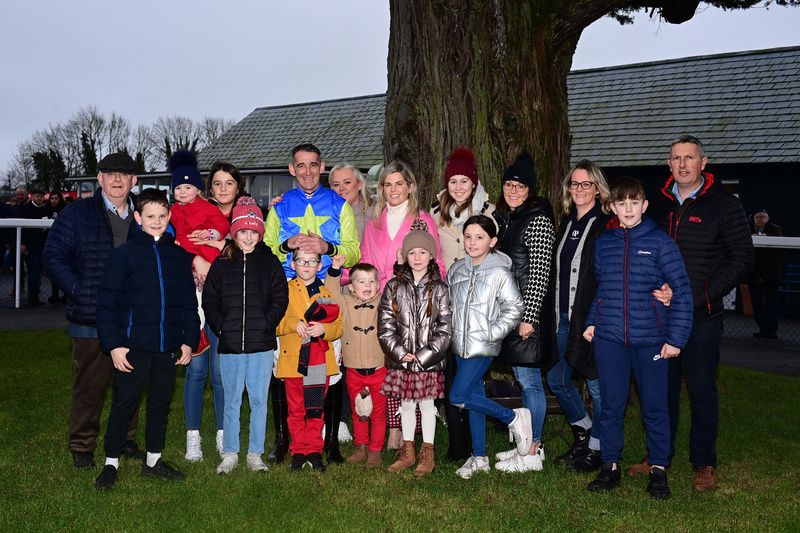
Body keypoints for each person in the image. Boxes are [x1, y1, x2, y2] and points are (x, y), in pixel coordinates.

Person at [631, 135, 753, 492]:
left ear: (704, 162)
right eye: (676, 158)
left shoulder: (724, 205)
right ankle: (659, 456)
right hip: (658, 316)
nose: (682, 164)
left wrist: (698, 296)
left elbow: (742, 259)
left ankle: (703, 463)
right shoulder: (657, 206)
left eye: (689, 158)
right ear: (668, 165)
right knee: (659, 390)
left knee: (701, 389)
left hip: (702, 315)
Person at [582, 177, 693, 500]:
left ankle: (659, 469)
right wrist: (592, 322)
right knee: (611, 405)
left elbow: (682, 291)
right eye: (621, 203)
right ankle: (610, 465)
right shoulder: (605, 243)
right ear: (612, 207)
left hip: (652, 340)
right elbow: (602, 289)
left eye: (634, 203)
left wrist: (675, 338)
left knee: (655, 407)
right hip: (610, 338)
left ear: (644, 206)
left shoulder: (661, 243)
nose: (628, 209)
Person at [44, 152, 145, 469]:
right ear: (99, 179)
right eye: (110, 174)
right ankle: (82, 446)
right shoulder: (76, 214)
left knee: (129, 384)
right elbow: (53, 255)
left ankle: (125, 440)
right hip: (91, 316)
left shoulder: (146, 215)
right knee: (90, 385)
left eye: (124, 174)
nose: (117, 179)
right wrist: (77, 289)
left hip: (134, 317)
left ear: (134, 180)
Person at [93, 188, 198, 490]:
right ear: (138, 217)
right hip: (132, 347)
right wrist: (113, 345)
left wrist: (188, 341)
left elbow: (189, 303)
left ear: (169, 216)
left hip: (167, 347)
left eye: (162, 216)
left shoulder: (178, 257)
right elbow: (107, 303)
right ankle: (111, 462)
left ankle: (154, 460)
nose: (156, 221)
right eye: (150, 216)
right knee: (124, 404)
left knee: (160, 405)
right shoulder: (124, 255)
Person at [263, 143, 360, 465]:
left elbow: (354, 251)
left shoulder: (339, 204)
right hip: (287, 295)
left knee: (328, 372)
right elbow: (264, 250)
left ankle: (328, 442)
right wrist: (285, 243)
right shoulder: (280, 206)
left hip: (327, 292)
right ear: (292, 169)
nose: (307, 171)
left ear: (322, 168)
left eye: (313, 165)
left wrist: (327, 247)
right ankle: (284, 440)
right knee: (285, 371)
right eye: (300, 166)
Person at [360, 160, 445, 449]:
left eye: (399, 183)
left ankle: (414, 433)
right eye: (388, 184)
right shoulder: (374, 221)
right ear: (381, 189)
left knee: (415, 364)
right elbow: (366, 262)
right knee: (392, 366)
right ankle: (393, 427)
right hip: (382, 300)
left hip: (417, 301)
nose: (394, 189)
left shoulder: (422, 219)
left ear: (410, 186)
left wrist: (431, 293)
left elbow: (438, 262)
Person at [202, 197, 289, 474]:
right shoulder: (222, 263)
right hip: (230, 346)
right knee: (231, 400)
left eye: (253, 231)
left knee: (259, 400)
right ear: (234, 233)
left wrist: (267, 323)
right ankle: (230, 452)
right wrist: (221, 326)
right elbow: (210, 300)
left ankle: (255, 452)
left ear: (260, 233)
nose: (248, 236)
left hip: (261, 345)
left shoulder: (270, 262)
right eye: (243, 231)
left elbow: (280, 297)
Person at [448, 215, 531, 479]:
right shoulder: (456, 270)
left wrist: (491, 333)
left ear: (492, 241)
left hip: (482, 346)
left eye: (480, 237)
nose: (472, 242)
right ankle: (480, 456)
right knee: (475, 399)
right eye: (468, 237)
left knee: (458, 397)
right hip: (459, 345)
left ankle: (512, 418)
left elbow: (514, 307)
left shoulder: (499, 272)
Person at [431, 146, 496, 462]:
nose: (458, 187)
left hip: (477, 306)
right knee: (451, 376)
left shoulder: (488, 210)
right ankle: (461, 445)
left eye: (464, 181)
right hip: (447, 304)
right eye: (453, 181)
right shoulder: (436, 212)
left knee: (468, 380)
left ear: (474, 183)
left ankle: (476, 444)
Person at [491, 152, 555, 473]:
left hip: (526, 316)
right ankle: (526, 445)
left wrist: (529, 317)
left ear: (530, 189)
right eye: (508, 184)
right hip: (510, 312)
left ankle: (533, 449)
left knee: (530, 381)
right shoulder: (508, 218)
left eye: (519, 185)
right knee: (522, 377)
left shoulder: (538, 220)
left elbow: (540, 272)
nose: (513, 189)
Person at [548, 160, 611, 472]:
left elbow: (607, 276)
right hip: (563, 317)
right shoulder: (567, 223)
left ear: (597, 188)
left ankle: (599, 448)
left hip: (590, 320)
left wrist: (597, 318)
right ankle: (584, 431)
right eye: (574, 184)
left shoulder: (605, 224)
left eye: (586, 184)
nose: (579, 190)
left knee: (596, 385)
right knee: (556, 378)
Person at [182, 160, 244, 463]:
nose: (222, 189)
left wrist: (218, 247)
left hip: (228, 304)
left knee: (221, 373)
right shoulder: (191, 208)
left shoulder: (247, 214)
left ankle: (224, 434)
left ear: (238, 186)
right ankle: (193, 437)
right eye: (217, 183)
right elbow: (173, 242)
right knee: (195, 370)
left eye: (228, 183)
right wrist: (196, 261)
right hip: (194, 298)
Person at [378, 226, 452, 476]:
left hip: (428, 362)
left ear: (431, 256)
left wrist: (422, 357)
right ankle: (407, 450)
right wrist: (401, 354)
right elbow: (385, 327)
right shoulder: (392, 287)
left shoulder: (440, 289)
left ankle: (427, 452)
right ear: (405, 256)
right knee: (407, 403)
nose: (417, 257)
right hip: (402, 360)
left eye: (423, 252)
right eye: (412, 252)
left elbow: (445, 330)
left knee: (427, 405)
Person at [275, 248, 343, 472]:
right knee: (296, 410)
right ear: (292, 265)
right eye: (301, 261)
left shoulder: (326, 293)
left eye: (312, 261)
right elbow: (275, 322)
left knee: (315, 409)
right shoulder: (283, 291)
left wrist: (324, 328)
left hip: (318, 362)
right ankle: (298, 451)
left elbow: (338, 326)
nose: (306, 265)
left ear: (319, 266)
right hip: (294, 361)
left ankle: (314, 450)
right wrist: (293, 323)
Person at [323, 257, 386, 468]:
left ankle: (376, 450)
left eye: (371, 281)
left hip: (378, 368)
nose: (367, 286)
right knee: (359, 409)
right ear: (350, 286)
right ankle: (361, 447)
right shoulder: (346, 302)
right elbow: (330, 294)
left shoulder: (383, 303)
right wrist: (334, 269)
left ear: (378, 285)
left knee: (377, 411)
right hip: (353, 369)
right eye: (361, 281)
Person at [168, 149, 231, 357]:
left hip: (207, 259)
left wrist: (210, 233)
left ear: (197, 189)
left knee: (203, 300)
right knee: (190, 301)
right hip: (186, 263)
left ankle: (200, 332)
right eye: (178, 188)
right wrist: (173, 241)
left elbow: (222, 225)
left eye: (188, 187)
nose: (183, 191)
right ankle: (197, 334)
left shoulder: (207, 208)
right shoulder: (172, 211)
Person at [749, 208, 782, 339]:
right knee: (756, 303)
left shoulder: (774, 228)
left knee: (771, 303)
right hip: (754, 273)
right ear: (754, 218)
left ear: (767, 218)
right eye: (758, 217)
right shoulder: (747, 228)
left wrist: (764, 237)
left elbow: (779, 238)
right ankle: (762, 328)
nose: (760, 219)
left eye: (763, 217)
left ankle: (772, 330)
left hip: (771, 274)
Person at [329, 162, 374, 239]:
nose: (341, 188)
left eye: (347, 182)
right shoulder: (326, 214)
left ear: (360, 184)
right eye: (336, 184)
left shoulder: (377, 210)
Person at [19, 188, 48, 306]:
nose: (39, 198)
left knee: (38, 272)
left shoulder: (45, 209)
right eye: (37, 196)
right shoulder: (25, 209)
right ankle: (32, 298)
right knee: (33, 272)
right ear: (32, 197)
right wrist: (22, 243)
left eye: (41, 196)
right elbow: (21, 227)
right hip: (30, 247)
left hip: (42, 247)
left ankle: (35, 297)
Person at [45, 193, 68, 302]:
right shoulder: (46, 210)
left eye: (56, 198)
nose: (53, 200)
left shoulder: (65, 211)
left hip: (63, 245)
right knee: (53, 271)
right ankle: (55, 294)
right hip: (50, 245)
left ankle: (65, 295)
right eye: (52, 198)